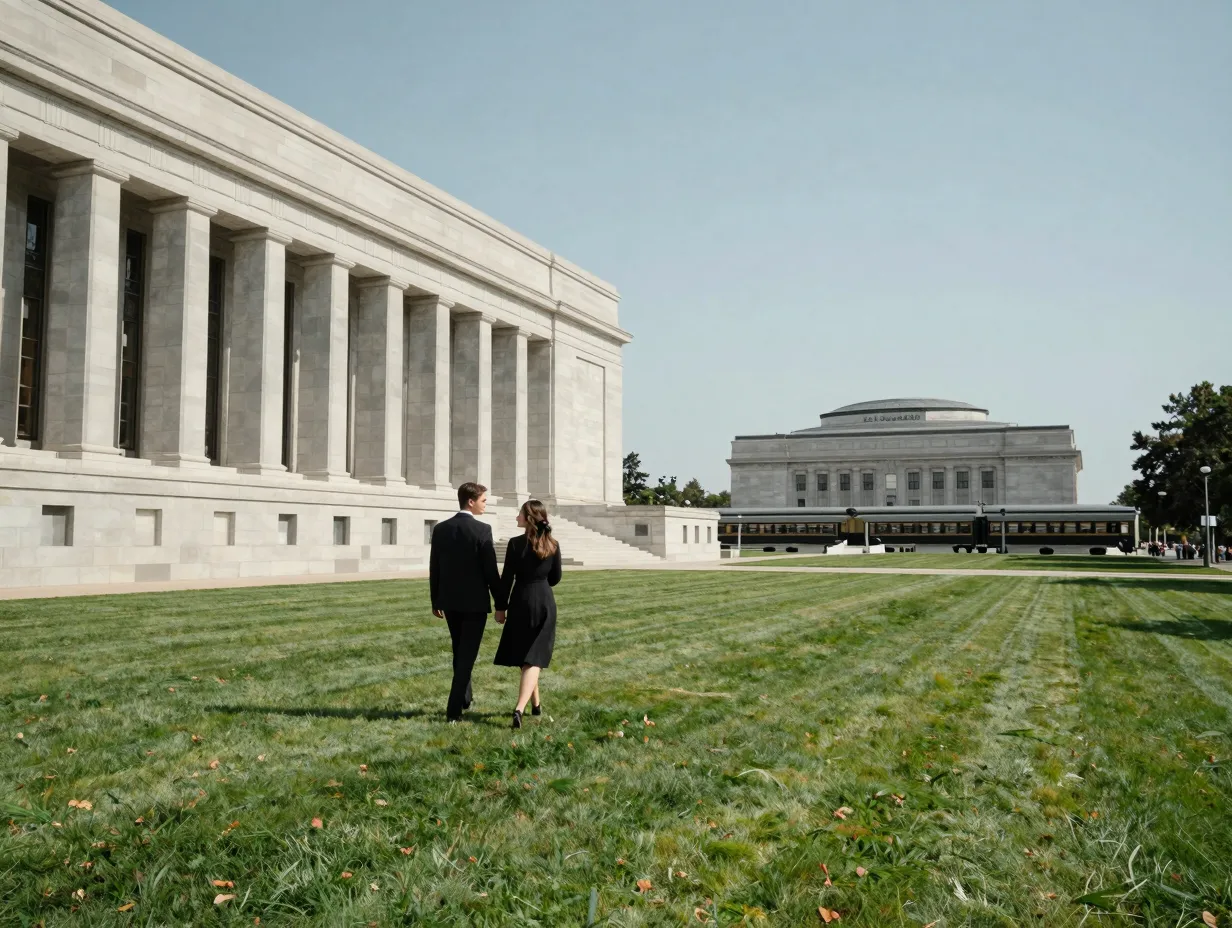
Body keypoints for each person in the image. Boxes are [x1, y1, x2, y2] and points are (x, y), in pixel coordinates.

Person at [429, 482, 502, 722]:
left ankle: (464, 698)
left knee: (459, 650)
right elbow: (490, 570)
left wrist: (435, 599)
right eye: (483, 500)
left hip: (449, 601)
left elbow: (435, 567)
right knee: (466, 655)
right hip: (474, 603)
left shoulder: (441, 529)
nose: (485, 504)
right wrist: (501, 601)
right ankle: (453, 710)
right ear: (470, 501)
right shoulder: (482, 530)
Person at [492, 499, 563, 730]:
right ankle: (522, 707)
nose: (516, 518)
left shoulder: (514, 545)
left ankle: (532, 706)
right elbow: (555, 578)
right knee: (534, 658)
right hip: (544, 601)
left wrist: (501, 607)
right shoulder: (553, 544)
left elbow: (506, 579)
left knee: (530, 657)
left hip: (521, 600)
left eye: (520, 514)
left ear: (529, 518)